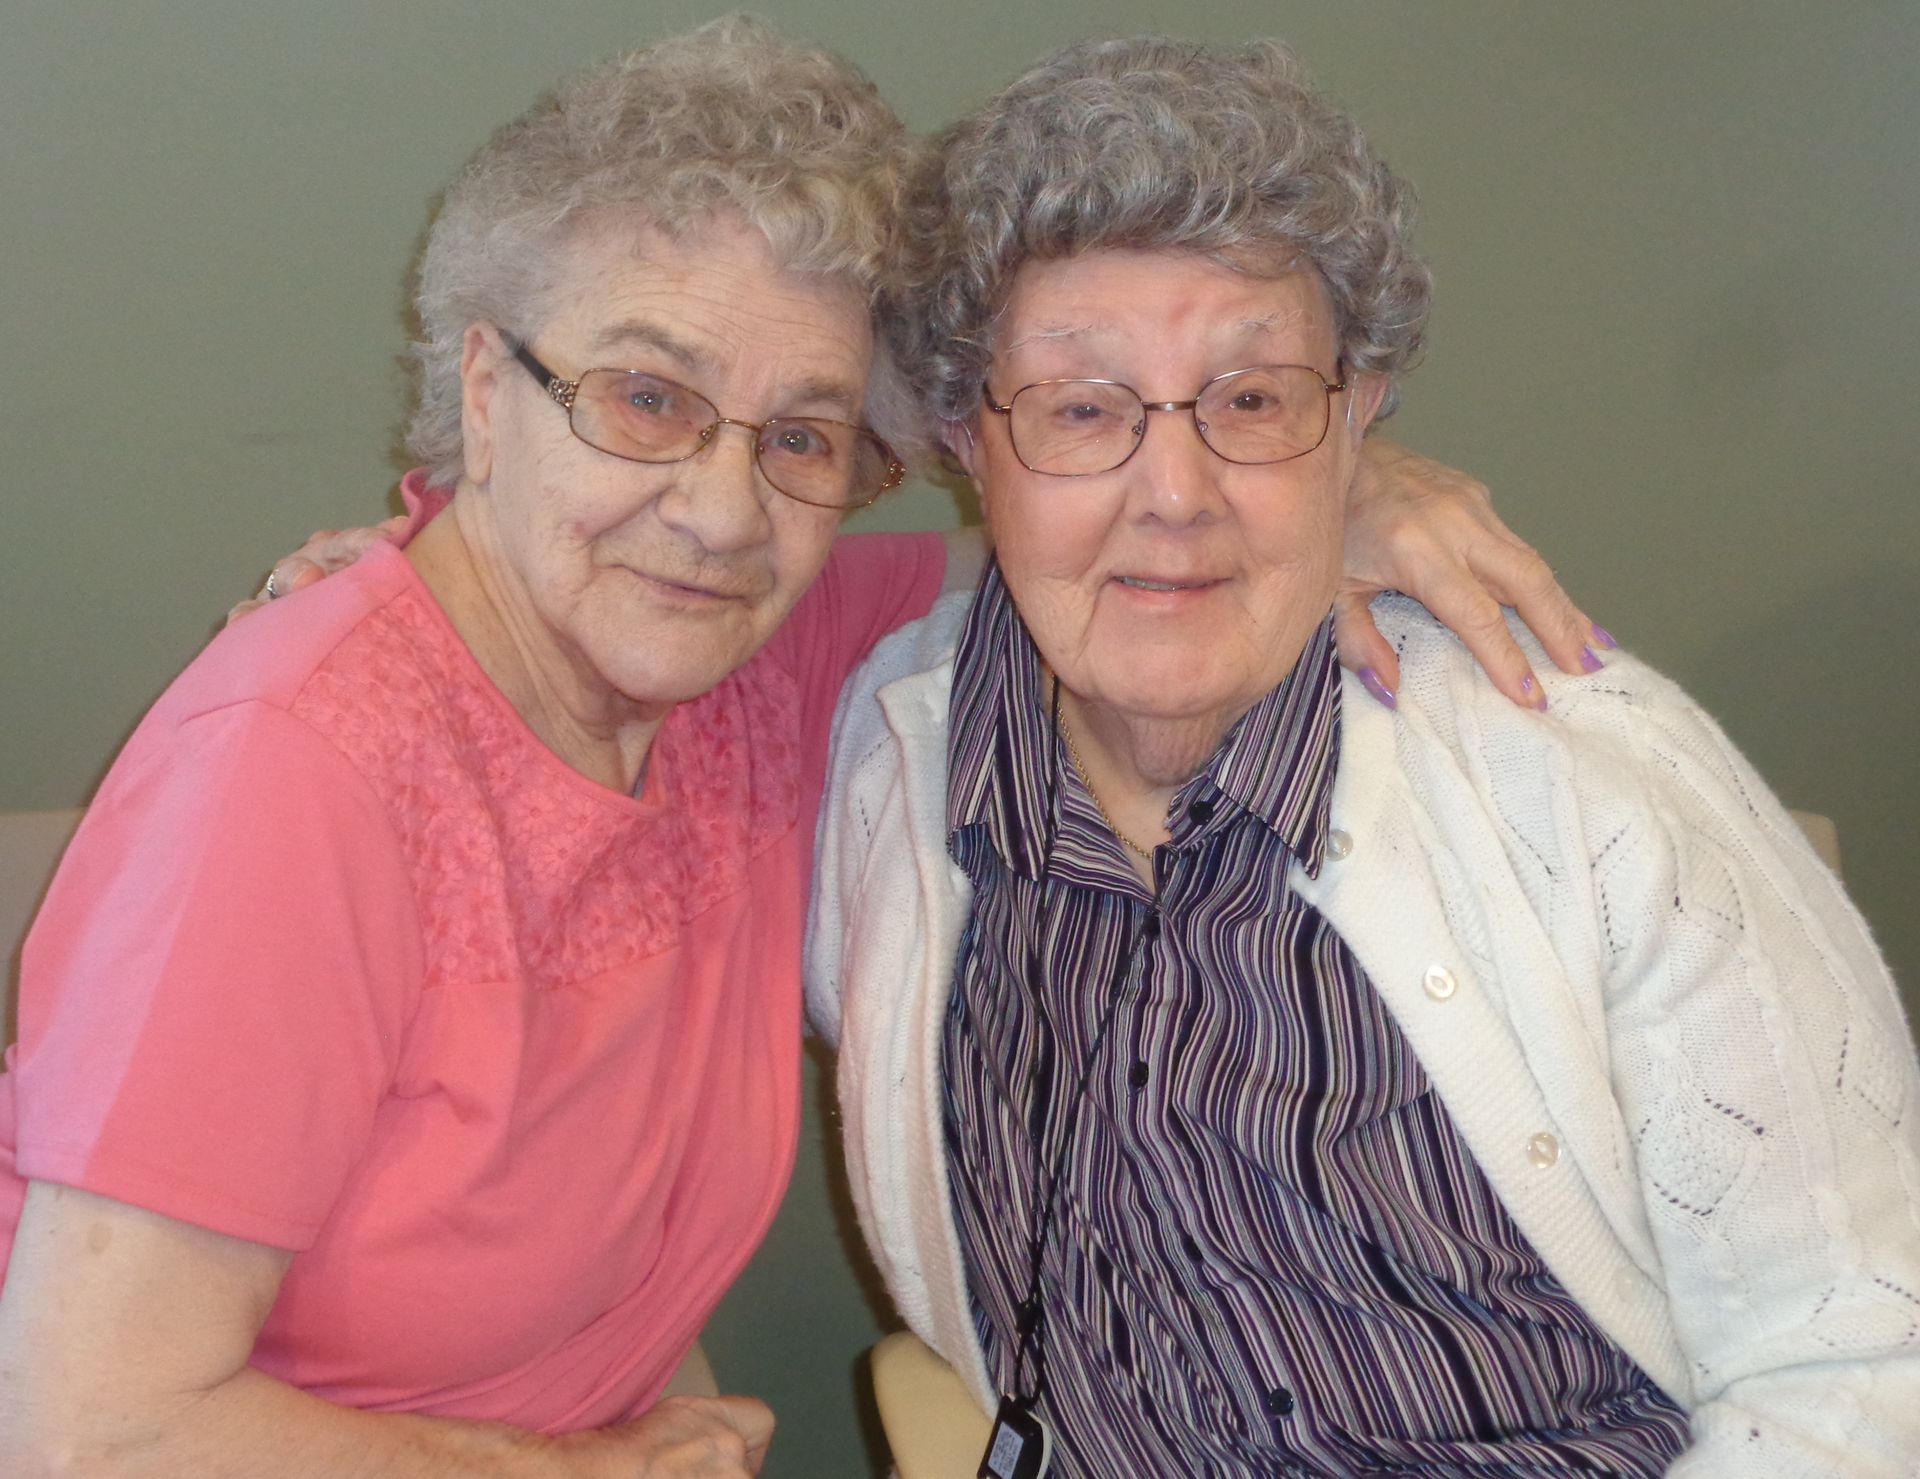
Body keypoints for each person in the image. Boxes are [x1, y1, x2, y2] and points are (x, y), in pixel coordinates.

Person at [0, 19, 1602, 1477]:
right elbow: (90, 1428)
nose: (719, 509)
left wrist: (1341, 488)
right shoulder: (292, 779)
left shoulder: (751, 659)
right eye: (644, 397)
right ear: (485, 389)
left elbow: (1123, 563)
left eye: (802, 436)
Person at [809, 34, 1920, 1478]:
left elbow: (1862, 1360)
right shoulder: (886, 773)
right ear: (969, 434)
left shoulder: (1590, 788)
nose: (1177, 497)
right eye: (1082, 410)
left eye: (1254, 401)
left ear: (1362, 413)